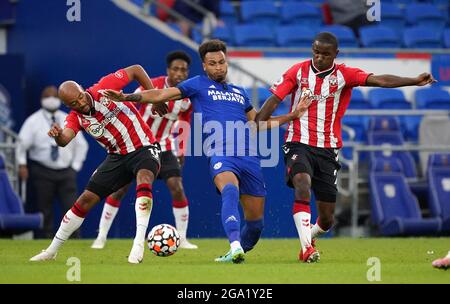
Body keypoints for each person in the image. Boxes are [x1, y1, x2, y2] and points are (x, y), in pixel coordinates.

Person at [103, 39, 312, 264]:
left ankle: (234, 253)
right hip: (222, 155)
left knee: (256, 225)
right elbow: (161, 95)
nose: (218, 67)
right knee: (230, 190)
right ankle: (234, 246)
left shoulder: (239, 92)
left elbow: (258, 123)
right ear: (204, 66)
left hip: (249, 158)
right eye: (212, 63)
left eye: (221, 62)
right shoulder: (197, 84)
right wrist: (128, 97)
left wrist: (292, 115)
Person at [255, 32, 436, 263]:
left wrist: (414, 80)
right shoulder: (297, 72)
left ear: (335, 54)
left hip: (328, 149)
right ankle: (307, 250)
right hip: (297, 142)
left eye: (325, 54)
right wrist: (261, 118)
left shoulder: (344, 74)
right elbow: (274, 98)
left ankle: (308, 238)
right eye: (316, 52)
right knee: (302, 182)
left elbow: (380, 80)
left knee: (327, 219)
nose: (319, 58)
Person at [29, 65, 162, 264]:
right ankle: (52, 250)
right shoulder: (76, 118)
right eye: (74, 103)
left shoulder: (104, 87)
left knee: (144, 179)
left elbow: (136, 70)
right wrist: (57, 137)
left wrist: (153, 97)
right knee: (84, 200)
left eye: (81, 97)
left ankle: (138, 243)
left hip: (143, 146)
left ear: (83, 89)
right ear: (68, 106)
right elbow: (65, 139)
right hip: (117, 157)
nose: (81, 103)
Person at [91, 51, 197, 250]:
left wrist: (181, 149)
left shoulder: (186, 97)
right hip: (138, 145)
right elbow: (130, 108)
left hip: (164, 147)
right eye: (175, 69)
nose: (179, 73)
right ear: (168, 70)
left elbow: (185, 121)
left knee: (177, 187)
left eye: (183, 70)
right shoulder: (152, 86)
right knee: (119, 189)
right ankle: (101, 237)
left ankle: (182, 239)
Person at [17, 85, 88, 238]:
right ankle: (46, 238)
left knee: (72, 207)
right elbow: (21, 144)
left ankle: (75, 238)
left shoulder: (68, 118)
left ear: (61, 100)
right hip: (42, 170)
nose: (51, 99)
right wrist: (22, 164)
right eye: (47, 96)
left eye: (54, 96)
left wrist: (74, 167)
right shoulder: (33, 121)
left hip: (65, 171)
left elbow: (82, 145)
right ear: (42, 99)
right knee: (44, 207)